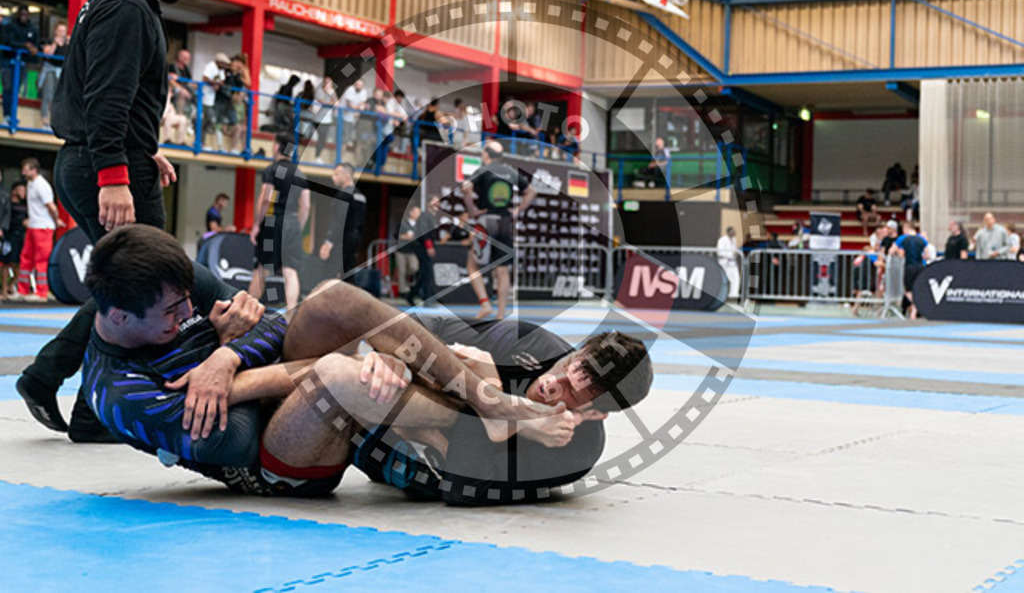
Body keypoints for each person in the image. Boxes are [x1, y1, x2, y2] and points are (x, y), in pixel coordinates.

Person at [79, 225, 563, 497]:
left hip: (272, 393)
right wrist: (220, 344)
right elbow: (238, 438)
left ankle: (487, 401)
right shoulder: (121, 394)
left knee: (333, 297)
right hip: (275, 464)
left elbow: (273, 325)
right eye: (173, 314)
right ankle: (486, 411)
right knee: (338, 376)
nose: (189, 312)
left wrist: (225, 355)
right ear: (119, 317)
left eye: (190, 301)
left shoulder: (172, 285)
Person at [352, 313, 653, 506]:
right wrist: (395, 359)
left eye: (572, 393)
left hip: (409, 463)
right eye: (566, 367)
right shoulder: (531, 342)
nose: (551, 383)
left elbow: (463, 486)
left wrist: (490, 390)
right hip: (377, 420)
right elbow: (428, 326)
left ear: (596, 414)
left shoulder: (577, 451)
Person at [52, 0, 213, 243]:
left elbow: (105, 87)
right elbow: (105, 97)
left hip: (95, 158)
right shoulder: (127, 7)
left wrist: (144, 142)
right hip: (108, 164)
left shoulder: (120, 0)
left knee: (129, 281)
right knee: (156, 278)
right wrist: (113, 176)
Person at [462, 142, 537, 319]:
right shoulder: (510, 171)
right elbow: (531, 192)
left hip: (486, 221)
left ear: (486, 154)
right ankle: (501, 314)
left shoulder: (484, 170)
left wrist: (472, 210)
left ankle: (485, 304)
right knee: (503, 270)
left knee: (473, 265)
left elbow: (466, 188)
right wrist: (517, 211)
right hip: (505, 222)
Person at [249, 134, 310, 312]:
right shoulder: (300, 173)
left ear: (276, 147)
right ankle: (291, 314)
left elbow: (265, 199)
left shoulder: (272, 169)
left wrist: (256, 225)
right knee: (290, 271)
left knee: (263, 268)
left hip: (273, 223)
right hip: (292, 222)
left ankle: (249, 307)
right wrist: (298, 225)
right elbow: (305, 205)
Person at [15, 158, 63, 301]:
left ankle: (42, 292)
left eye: (26, 168)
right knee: (26, 257)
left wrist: (56, 220)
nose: (23, 171)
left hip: (43, 227)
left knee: (41, 259)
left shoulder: (41, 185)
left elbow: (51, 207)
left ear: (34, 170)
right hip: (34, 226)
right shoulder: (30, 183)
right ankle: (22, 290)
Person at [318, 163, 366, 282]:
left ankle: (327, 299)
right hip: (354, 237)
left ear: (346, 176)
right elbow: (362, 220)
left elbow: (339, 221)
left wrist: (328, 243)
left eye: (336, 174)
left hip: (342, 237)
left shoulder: (343, 195)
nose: (333, 177)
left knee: (329, 271)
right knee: (348, 270)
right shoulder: (360, 195)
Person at [0, 5, 40, 121]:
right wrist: (25, 45)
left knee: (16, 89)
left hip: (21, 63)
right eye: (21, 14)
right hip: (8, 61)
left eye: (25, 15)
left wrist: (34, 49)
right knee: (8, 88)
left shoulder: (32, 29)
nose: (23, 17)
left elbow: (36, 45)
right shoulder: (10, 26)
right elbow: (8, 41)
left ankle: (12, 115)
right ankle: (8, 115)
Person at [890, 221, 929, 319]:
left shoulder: (903, 238)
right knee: (918, 289)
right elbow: (927, 255)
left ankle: (915, 306)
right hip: (920, 266)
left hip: (909, 266)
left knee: (908, 290)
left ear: (906, 228)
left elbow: (891, 251)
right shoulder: (922, 239)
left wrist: (898, 253)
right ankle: (915, 311)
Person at [408, 195, 441, 306]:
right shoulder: (425, 216)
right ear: (428, 204)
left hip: (425, 246)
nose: (437, 204)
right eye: (434, 202)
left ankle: (412, 294)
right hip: (422, 246)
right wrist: (429, 246)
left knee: (424, 273)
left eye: (438, 202)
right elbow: (424, 232)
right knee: (426, 272)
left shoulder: (430, 217)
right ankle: (427, 299)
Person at [37, 22, 68, 128]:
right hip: (50, 70)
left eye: (63, 31)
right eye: (59, 31)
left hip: (61, 72)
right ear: (55, 31)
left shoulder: (67, 43)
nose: (61, 33)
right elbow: (48, 54)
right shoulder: (50, 41)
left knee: (58, 97)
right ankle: (45, 120)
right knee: (48, 94)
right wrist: (55, 43)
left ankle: (55, 121)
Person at [1, 180, 26, 298]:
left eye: (24, 190)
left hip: (21, 235)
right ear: (14, 191)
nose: (23, 192)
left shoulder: (26, 203)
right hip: (10, 234)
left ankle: (12, 285)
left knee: (20, 262)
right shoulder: (7, 201)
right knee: (7, 262)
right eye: (20, 190)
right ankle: (4, 289)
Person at [201, 52, 231, 148]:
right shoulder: (211, 66)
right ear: (219, 62)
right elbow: (205, 78)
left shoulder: (221, 70)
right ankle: (201, 142)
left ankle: (203, 141)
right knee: (208, 119)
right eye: (224, 64)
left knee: (207, 121)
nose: (225, 66)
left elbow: (221, 81)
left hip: (211, 99)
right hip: (204, 97)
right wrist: (214, 83)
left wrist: (218, 84)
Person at [312, 76, 339, 163]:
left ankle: (317, 156)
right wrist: (332, 103)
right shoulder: (319, 90)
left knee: (323, 139)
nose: (328, 85)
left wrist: (331, 94)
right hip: (317, 118)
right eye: (327, 82)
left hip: (327, 120)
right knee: (309, 136)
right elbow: (322, 102)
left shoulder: (332, 92)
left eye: (330, 83)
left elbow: (337, 103)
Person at [395, 205, 420, 296]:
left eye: (419, 213)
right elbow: (397, 235)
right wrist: (406, 237)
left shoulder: (419, 225)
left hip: (413, 251)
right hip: (401, 250)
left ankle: (413, 286)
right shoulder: (403, 223)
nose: (417, 214)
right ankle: (403, 291)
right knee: (401, 271)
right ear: (411, 212)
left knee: (414, 268)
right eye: (416, 212)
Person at [167, 48, 194, 119]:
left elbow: (189, 81)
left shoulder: (187, 69)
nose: (187, 60)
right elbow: (170, 81)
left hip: (186, 89)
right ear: (180, 57)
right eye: (185, 57)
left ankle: (190, 120)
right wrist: (181, 89)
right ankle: (180, 115)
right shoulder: (172, 67)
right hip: (174, 90)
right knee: (182, 93)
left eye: (188, 58)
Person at [716, 226, 741, 301]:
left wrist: (735, 253)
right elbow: (720, 252)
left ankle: (734, 295)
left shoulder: (734, 239)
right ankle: (722, 295)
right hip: (724, 262)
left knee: (736, 278)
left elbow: (734, 250)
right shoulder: (722, 240)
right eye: (732, 231)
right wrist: (729, 255)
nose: (733, 233)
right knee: (726, 279)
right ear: (728, 232)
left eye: (734, 231)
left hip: (732, 262)